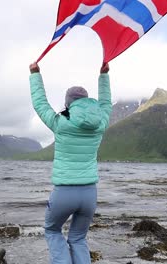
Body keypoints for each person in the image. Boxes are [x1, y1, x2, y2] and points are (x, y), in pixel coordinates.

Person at [29, 61, 112, 264]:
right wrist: (104, 76)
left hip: (64, 193)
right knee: (77, 238)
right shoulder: (100, 123)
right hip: (89, 194)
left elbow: (40, 104)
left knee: (52, 230)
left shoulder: (60, 123)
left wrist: (35, 74)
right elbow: (106, 103)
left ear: (68, 104)